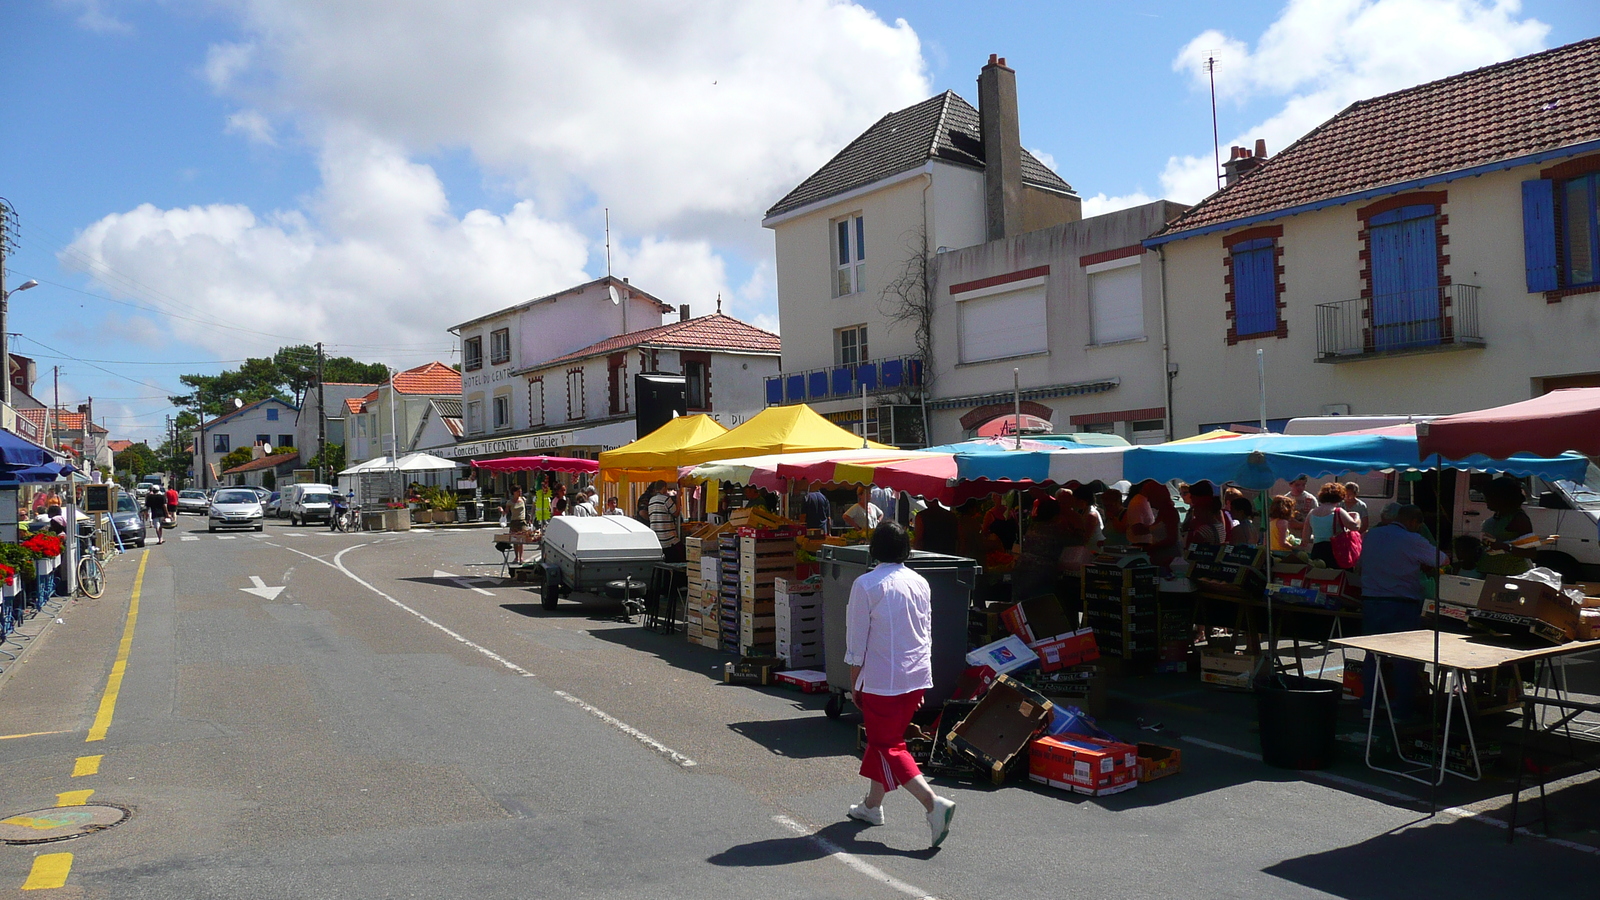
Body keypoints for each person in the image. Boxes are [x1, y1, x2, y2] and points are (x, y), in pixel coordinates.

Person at [843, 522, 957, 849]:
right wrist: (917, 681)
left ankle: (933, 804)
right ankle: (871, 805)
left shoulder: (866, 584)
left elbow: (856, 641)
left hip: (883, 678)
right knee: (883, 741)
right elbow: (925, 632)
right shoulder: (920, 582)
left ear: (874, 549)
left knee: (887, 743)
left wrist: (855, 683)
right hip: (915, 675)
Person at [1359, 504, 1449, 721]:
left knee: (1373, 655)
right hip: (1401, 603)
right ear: (1414, 522)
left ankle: (1368, 706)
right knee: (1404, 659)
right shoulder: (1412, 539)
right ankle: (1401, 711)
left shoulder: (1372, 535)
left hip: (1371, 601)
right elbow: (1442, 560)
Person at [1479, 476, 1538, 577]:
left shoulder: (1519, 518)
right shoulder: (1497, 516)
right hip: (1489, 573)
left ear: (1501, 498)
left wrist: (1504, 547)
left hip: (1510, 576)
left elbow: (1531, 552)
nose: (1486, 501)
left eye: (1489, 497)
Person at [1013, 496, 1069, 602]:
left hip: (1022, 567)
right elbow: (1076, 540)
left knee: (1021, 605)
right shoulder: (1056, 528)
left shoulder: (1033, 526)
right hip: (1042, 572)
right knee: (1039, 606)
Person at [1301, 483, 1360, 568]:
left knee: (1318, 578)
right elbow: (1355, 526)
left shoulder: (1312, 513)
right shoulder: (1338, 511)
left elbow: (1305, 538)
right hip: (1335, 550)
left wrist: (1320, 536)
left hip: (1317, 550)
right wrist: (1356, 516)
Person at [649, 486, 684, 562]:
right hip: (668, 539)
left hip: (657, 539)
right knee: (681, 554)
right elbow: (676, 513)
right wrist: (678, 498)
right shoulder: (666, 500)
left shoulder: (651, 501)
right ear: (664, 488)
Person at [505, 486, 529, 563]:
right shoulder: (509, 502)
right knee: (515, 540)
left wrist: (529, 519)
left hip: (522, 522)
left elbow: (526, 510)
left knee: (521, 540)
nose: (520, 493)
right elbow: (506, 513)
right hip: (514, 522)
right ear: (514, 492)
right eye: (518, 491)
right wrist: (501, 511)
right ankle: (516, 557)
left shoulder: (523, 500)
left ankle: (521, 557)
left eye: (520, 491)